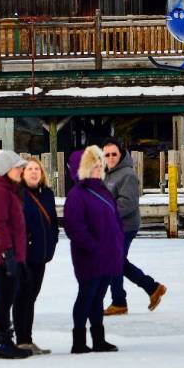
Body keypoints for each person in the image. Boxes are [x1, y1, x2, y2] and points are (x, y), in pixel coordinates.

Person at [64, 145, 124, 353]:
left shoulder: (102, 190)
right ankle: (78, 341)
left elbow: (115, 220)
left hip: (106, 255)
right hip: (89, 256)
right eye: (94, 166)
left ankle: (98, 339)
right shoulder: (77, 195)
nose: (99, 169)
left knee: (98, 298)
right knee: (86, 296)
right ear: (85, 168)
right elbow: (75, 227)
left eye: (100, 166)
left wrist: (117, 242)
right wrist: (93, 247)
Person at [101, 139, 167, 316]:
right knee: (118, 262)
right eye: (107, 154)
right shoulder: (108, 173)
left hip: (125, 226)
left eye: (114, 154)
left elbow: (128, 204)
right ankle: (152, 288)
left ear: (121, 154)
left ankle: (119, 302)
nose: (111, 157)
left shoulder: (127, 175)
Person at [0, 149, 32, 359]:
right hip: (5, 254)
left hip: (14, 252)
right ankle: (1, 341)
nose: (22, 170)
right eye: (18, 167)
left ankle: (4, 338)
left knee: (12, 295)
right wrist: (8, 253)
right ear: (5, 170)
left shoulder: (8, 189)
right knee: (5, 298)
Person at [14, 158, 59, 355]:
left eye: (37, 169)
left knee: (32, 297)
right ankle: (22, 339)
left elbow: (54, 223)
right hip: (24, 255)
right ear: (23, 173)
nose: (34, 172)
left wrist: (52, 243)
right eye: (30, 169)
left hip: (41, 255)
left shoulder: (47, 194)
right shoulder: (18, 194)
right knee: (22, 296)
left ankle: (28, 338)